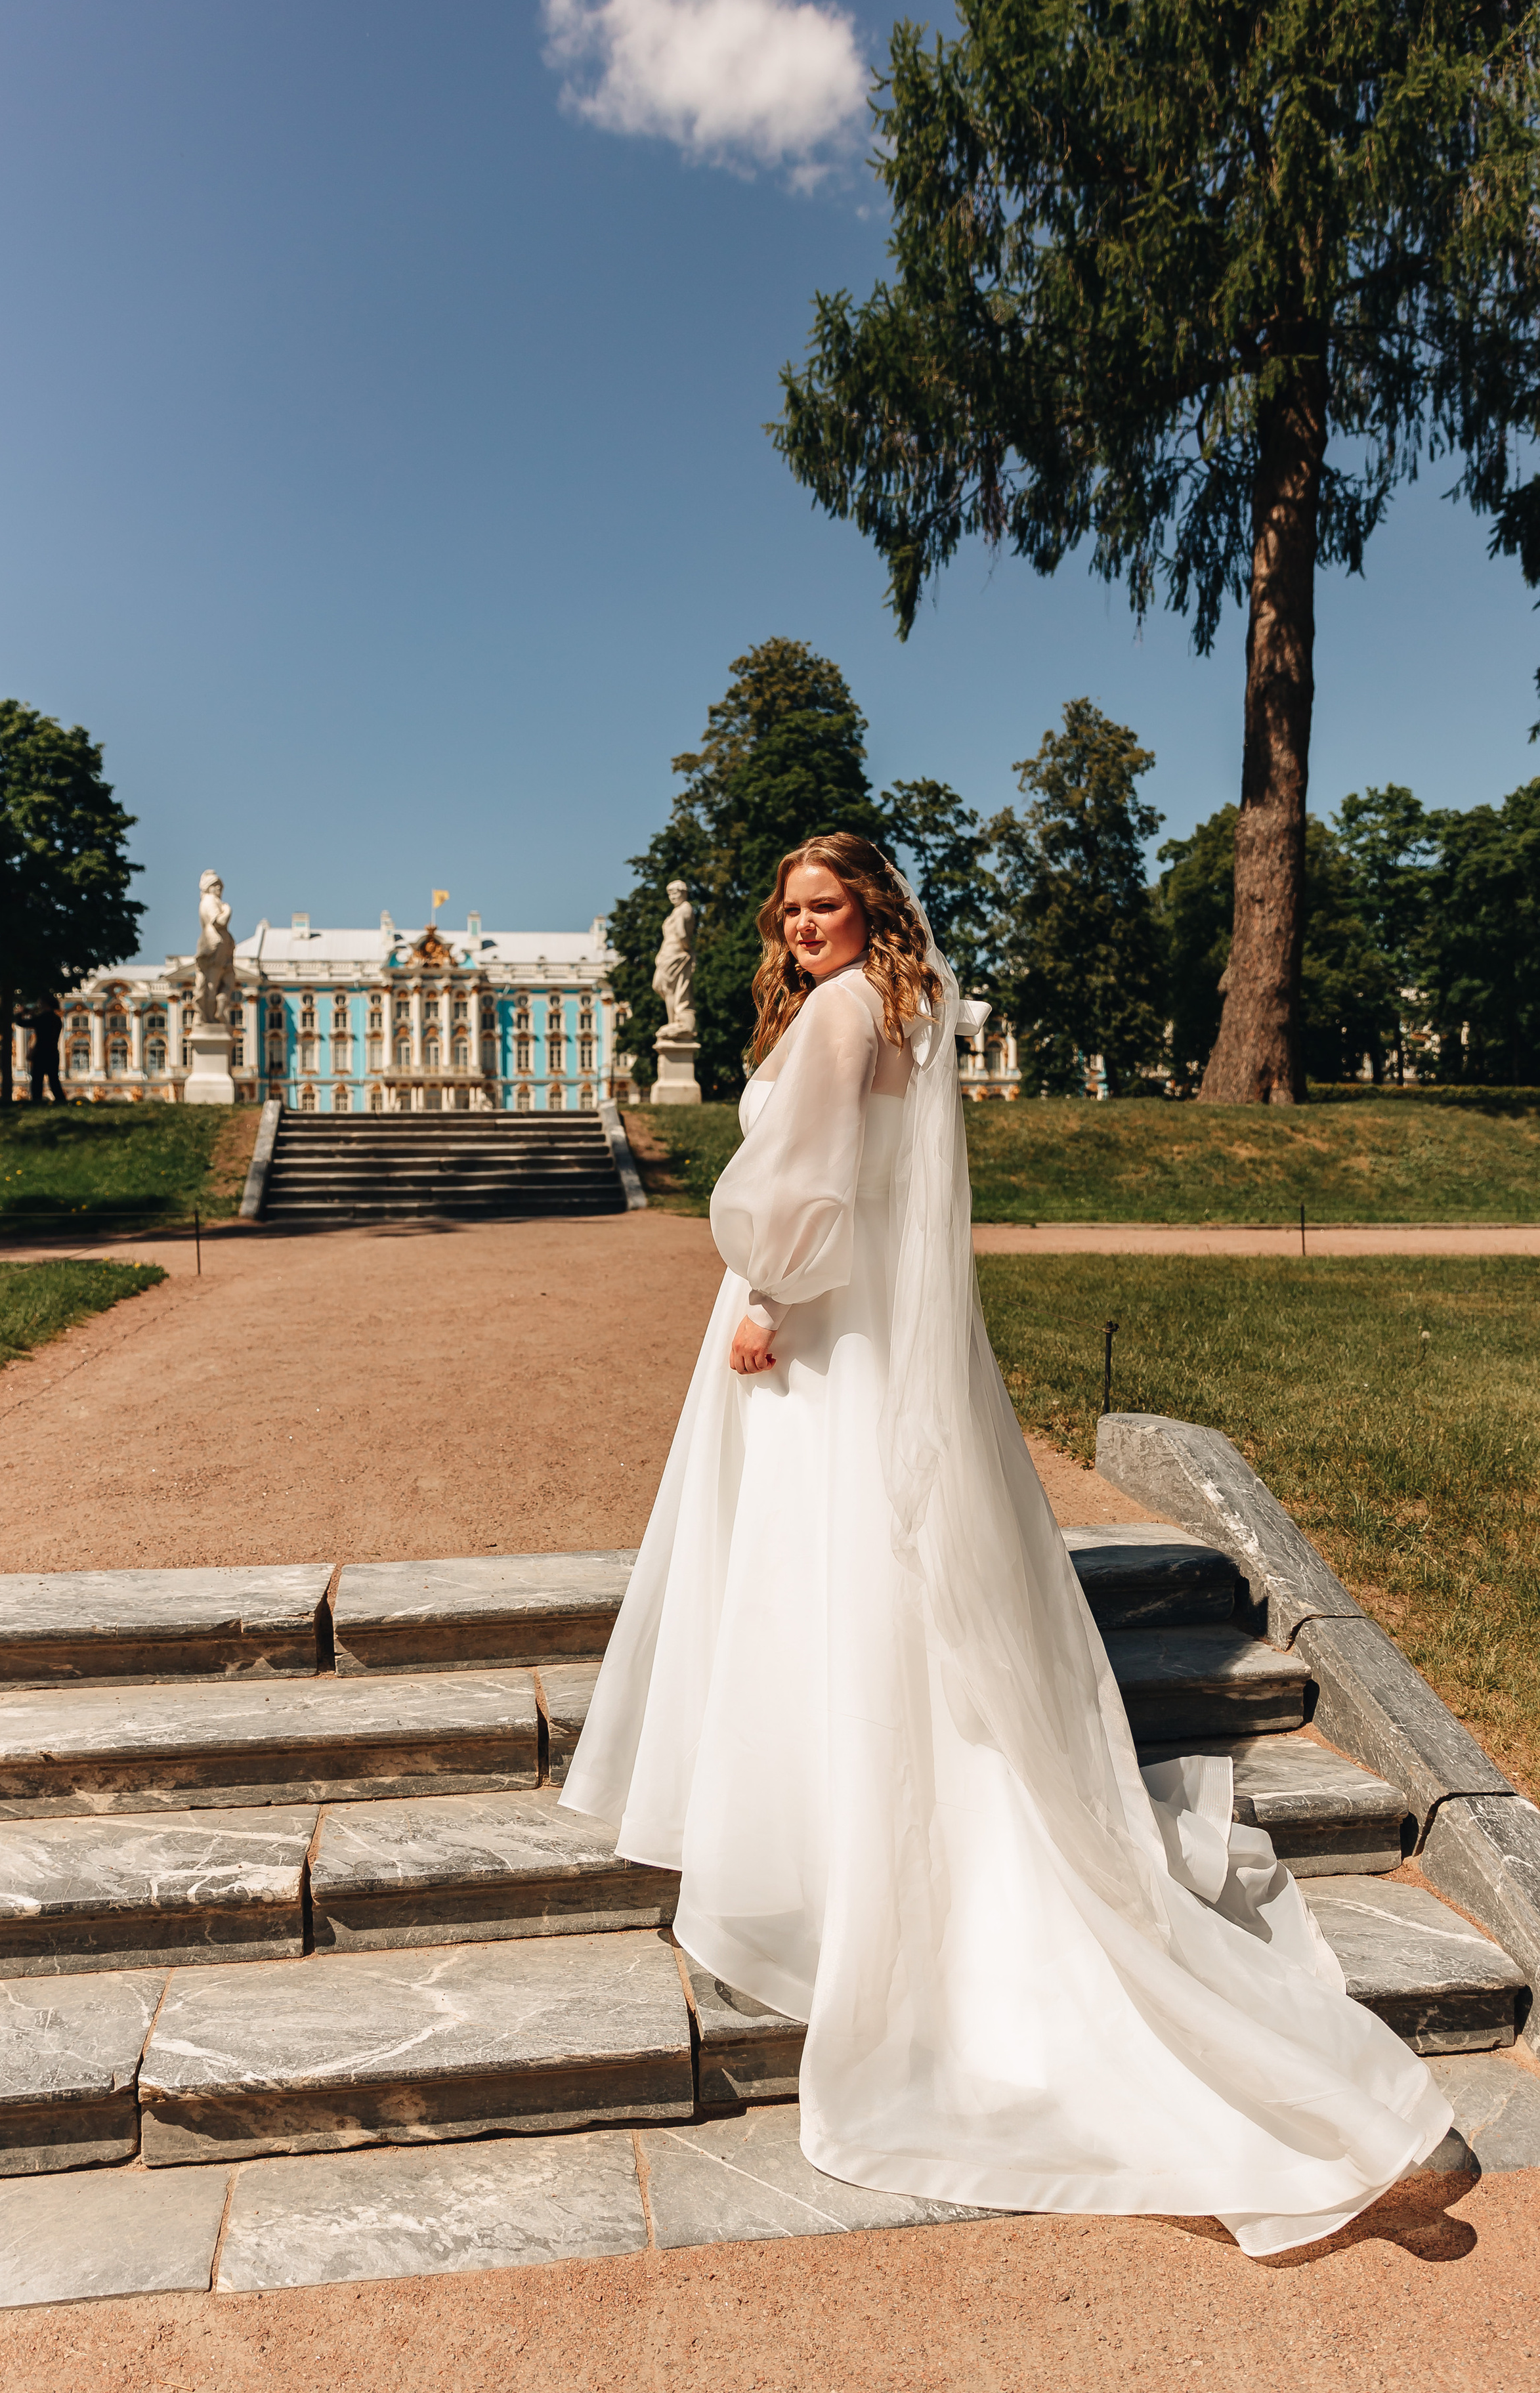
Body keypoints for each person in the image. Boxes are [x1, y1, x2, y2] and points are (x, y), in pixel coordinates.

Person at [563, 830, 1451, 2258]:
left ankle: (821, 1860)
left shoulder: (842, 1013)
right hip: (874, 1333)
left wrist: (766, 1299)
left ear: (870, 910)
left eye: (823, 904)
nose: (801, 926)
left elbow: (807, 1187)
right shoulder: (902, 1013)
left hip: (812, 1331)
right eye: (789, 909)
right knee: (858, 1581)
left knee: (805, 1580)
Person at [28, 999, 66, 1104]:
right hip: (53, 1053)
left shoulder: (42, 1018)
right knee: (54, 1081)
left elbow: (23, 1023)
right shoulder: (57, 1019)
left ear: (46, 1005)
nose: (40, 1006)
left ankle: (37, 1102)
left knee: (37, 1081)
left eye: (41, 1004)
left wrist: (21, 1013)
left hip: (41, 1053)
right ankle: (62, 1101)